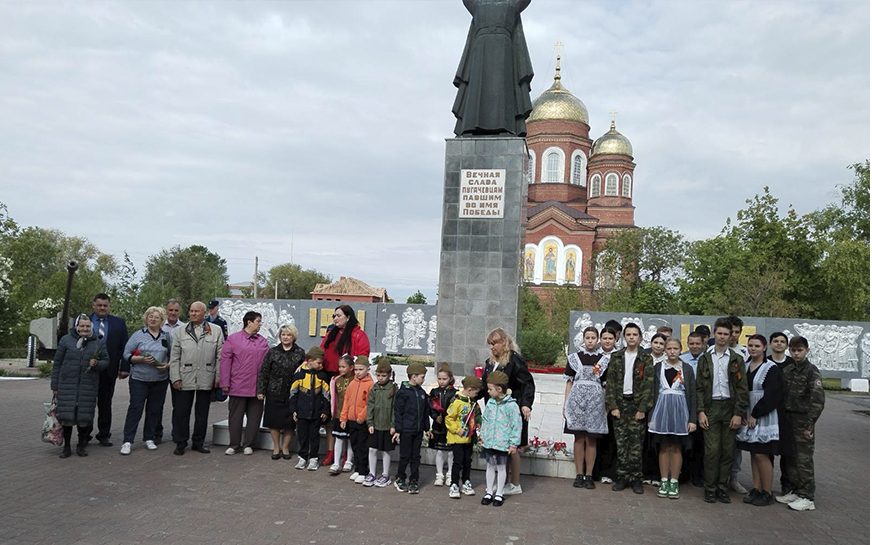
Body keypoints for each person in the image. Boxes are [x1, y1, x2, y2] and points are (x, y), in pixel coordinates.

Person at [696, 317, 749, 503]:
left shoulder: (737, 359)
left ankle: (722, 487)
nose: (723, 337)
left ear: (731, 336)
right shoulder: (705, 358)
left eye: (727, 334)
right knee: (711, 450)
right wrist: (701, 411)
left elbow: (742, 387)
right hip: (711, 408)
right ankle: (709, 487)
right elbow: (700, 387)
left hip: (729, 407)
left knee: (728, 451)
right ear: (713, 334)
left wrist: (738, 413)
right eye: (719, 333)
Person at [479, 328, 535, 497]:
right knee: (500, 448)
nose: (492, 347)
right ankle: (502, 482)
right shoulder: (490, 362)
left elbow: (527, 383)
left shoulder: (514, 360)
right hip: (495, 412)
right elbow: (484, 386)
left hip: (511, 410)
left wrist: (526, 404)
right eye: (490, 344)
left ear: (503, 342)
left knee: (513, 448)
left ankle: (515, 483)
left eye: (494, 343)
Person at [604, 322, 654, 494]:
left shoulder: (646, 358)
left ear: (640, 337)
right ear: (624, 337)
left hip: (636, 405)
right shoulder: (616, 357)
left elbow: (649, 386)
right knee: (621, 443)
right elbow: (610, 384)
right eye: (628, 334)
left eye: (635, 334)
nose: (632, 337)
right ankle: (622, 477)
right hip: (620, 404)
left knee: (636, 445)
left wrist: (642, 409)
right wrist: (613, 406)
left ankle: (636, 478)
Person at [775, 336, 825, 511]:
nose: (796, 353)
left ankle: (807, 496)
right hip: (788, 419)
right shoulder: (788, 370)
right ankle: (795, 490)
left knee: (803, 460)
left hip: (803, 420)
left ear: (807, 351)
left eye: (800, 350)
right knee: (790, 457)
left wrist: (810, 425)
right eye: (793, 350)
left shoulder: (812, 371)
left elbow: (817, 401)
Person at [169, 301, 224, 455]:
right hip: (185, 376)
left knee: (202, 413)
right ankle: (181, 442)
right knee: (182, 412)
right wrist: (175, 378)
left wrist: (217, 377)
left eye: (196, 311)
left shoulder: (216, 330)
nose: (193, 314)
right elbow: (174, 357)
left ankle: (198, 442)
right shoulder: (180, 331)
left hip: (206, 376)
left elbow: (220, 356)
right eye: (191, 311)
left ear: (204, 313)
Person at [51, 315, 109, 458]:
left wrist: (97, 364)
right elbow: (57, 363)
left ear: (92, 327)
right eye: (82, 326)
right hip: (67, 385)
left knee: (84, 417)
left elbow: (106, 361)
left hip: (87, 385)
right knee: (67, 417)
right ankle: (67, 446)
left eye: (87, 326)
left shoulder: (98, 343)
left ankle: (81, 445)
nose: (84, 329)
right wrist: (54, 385)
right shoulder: (66, 340)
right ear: (77, 326)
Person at [320, 304, 371, 465]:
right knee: (332, 417)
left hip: (350, 379)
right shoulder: (330, 333)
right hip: (331, 378)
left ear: (348, 318)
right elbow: (321, 351)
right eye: (334, 315)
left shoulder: (358, 335)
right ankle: (331, 451)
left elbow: (363, 355)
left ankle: (347, 456)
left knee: (347, 417)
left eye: (338, 315)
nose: (335, 318)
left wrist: (352, 369)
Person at [737, 334, 783, 507]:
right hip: (747, 413)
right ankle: (756, 488)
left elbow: (772, 394)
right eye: (750, 345)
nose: (753, 348)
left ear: (764, 348)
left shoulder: (771, 368)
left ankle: (767, 491)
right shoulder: (746, 365)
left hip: (762, 415)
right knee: (753, 453)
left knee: (762, 454)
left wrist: (756, 414)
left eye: (757, 345)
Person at [649, 338, 697, 500]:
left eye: (675, 348)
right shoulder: (658, 367)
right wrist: (651, 417)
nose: (672, 351)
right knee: (663, 446)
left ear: (680, 349)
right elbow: (653, 393)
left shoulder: (687, 369)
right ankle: (663, 480)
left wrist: (692, 419)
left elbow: (692, 394)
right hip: (661, 411)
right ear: (665, 350)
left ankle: (674, 481)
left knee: (676, 447)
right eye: (669, 348)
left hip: (680, 411)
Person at [120, 307, 172, 455]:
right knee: (135, 408)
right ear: (146, 318)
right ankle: (127, 441)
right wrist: (141, 359)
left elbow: (173, 355)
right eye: (150, 316)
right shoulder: (138, 335)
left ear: (162, 320)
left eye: (156, 317)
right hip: (139, 379)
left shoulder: (167, 337)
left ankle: (149, 438)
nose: (153, 319)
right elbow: (126, 354)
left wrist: (167, 366)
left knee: (154, 410)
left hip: (159, 379)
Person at [563, 326, 608, 489]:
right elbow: (569, 382)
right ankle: (579, 473)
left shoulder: (603, 360)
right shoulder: (574, 358)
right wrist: (565, 404)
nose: (590, 341)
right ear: (583, 339)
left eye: (593, 338)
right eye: (587, 338)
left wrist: (604, 406)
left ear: (597, 340)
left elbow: (604, 385)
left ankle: (589, 474)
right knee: (578, 437)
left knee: (591, 438)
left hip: (595, 402)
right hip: (576, 401)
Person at [220, 311, 269, 456]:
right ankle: (234, 444)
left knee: (254, 417)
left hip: (256, 387)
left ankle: (249, 444)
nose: (260, 324)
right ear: (249, 322)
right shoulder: (233, 339)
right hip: (238, 385)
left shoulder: (263, 341)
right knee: (235, 417)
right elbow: (225, 362)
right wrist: (225, 382)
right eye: (258, 321)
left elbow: (267, 365)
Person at [257, 324, 305, 460]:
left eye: (288, 335)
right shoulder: (272, 352)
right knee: (274, 421)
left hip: (292, 392)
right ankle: (276, 447)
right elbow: (264, 372)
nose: (285, 337)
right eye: (283, 334)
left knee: (289, 422)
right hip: (274, 391)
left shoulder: (300, 352)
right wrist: (261, 390)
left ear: (293, 337)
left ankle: (285, 447)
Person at [86, 293, 128, 447]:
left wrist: (124, 368)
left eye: (105, 305)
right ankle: (85, 434)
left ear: (109, 306)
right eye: (99, 305)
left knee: (105, 404)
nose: (102, 308)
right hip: (87, 370)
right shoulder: (85, 321)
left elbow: (125, 347)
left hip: (109, 371)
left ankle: (104, 434)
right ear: (93, 305)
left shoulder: (119, 323)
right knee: (87, 403)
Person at [478, 371, 522, 507]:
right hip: (490, 441)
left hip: (503, 443)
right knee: (490, 466)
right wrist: (483, 436)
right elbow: (485, 421)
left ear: (499, 389)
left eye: (490, 389)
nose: (488, 392)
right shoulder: (490, 404)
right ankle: (489, 491)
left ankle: (499, 493)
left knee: (502, 468)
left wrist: (513, 443)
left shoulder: (511, 406)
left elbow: (516, 425)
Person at [290, 347, 331, 471]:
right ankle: (302, 457)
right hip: (301, 413)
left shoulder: (322, 376)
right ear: (310, 360)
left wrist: (325, 411)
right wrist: (293, 410)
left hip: (316, 413)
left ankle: (314, 458)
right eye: (318, 363)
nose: (320, 365)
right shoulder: (299, 375)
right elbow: (293, 394)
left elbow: (326, 396)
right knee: (302, 435)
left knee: (314, 436)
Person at [393, 362, 430, 494]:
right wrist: (398, 429)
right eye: (422, 376)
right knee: (405, 456)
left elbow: (425, 411)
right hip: (407, 430)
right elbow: (398, 412)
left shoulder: (422, 393)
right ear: (413, 377)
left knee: (416, 456)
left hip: (418, 430)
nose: (423, 379)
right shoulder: (403, 392)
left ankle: (414, 479)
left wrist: (426, 427)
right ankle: (400, 477)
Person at [446, 375, 482, 499]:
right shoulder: (456, 401)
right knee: (458, 461)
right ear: (470, 389)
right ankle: (454, 483)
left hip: (469, 437)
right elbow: (449, 418)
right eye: (476, 392)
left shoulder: (472, 402)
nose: (477, 395)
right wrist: (457, 429)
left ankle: (466, 481)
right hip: (457, 438)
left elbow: (477, 413)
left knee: (468, 461)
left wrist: (478, 422)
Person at [768, 331, 795, 494]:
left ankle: (787, 485)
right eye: (776, 341)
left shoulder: (793, 364)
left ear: (786, 346)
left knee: (787, 452)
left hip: (788, 414)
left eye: (782, 341)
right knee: (768, 450)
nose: (779, 343)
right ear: (770, 344)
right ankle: (766, 485)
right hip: (770, 412)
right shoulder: (766, 363)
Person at [726, 315, 750, 494]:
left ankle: (733, 478)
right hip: (719, 404)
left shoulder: (745, 353)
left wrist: (742, 409)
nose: (733, 335)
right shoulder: (713, 351)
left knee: (735, 445)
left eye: (736, 332)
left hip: (737, 406)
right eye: (730, 331)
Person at [340, 356, 374, 484]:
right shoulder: (352, 383)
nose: (358, 372)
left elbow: (370, 403)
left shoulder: (370, 384)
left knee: (362, 446)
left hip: (362, 421)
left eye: (361, 369)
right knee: (354, 445)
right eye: (356, 369)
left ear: (368, 369)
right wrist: (344, 417)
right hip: (351, 420)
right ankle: (358, 468)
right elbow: (346, 401)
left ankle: (363, 471)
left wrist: (361, 417)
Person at [680, 331, 707, 487]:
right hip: (685, 404)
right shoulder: (682, 360)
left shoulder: (707, 360)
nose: (695, 346)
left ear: (703, 344)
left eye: (698, 343)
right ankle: (683, 473)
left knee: (700, 442)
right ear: (687, 343)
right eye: (692, 343)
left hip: (703, 406)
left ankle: (698, 475)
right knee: (685, 441)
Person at [366, 358, 397, 488]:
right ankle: (372, 473)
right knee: (372, 449)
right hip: (375, 425)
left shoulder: (393, 389)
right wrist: (370, 423)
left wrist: (393, 425)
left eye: (384, 376)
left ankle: (385, 474)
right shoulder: (375, 388)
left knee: (386, 451)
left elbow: (395, 409)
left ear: (389, 375)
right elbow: (370, 406)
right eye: (378, 375)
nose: (381, 378)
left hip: (387, 426)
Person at [594, 327, 619, 484]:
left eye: (610, 338)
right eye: (604, 338)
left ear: (615, 340)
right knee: (596, 437)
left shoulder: (619, 356)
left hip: (614, 400)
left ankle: (608, 471)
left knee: (611, 438)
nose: (607, 341)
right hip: (596, 400)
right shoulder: (595, 356)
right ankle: (594, 471)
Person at [429, 362, 457, 487]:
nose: (441, 381)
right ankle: (439, 474)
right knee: (439, 451)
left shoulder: (455, 393)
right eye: (439, 379)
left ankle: (450, 474)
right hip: (438, 425)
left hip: (451, 426)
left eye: (444, 379)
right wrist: (435, 417)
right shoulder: (434, 392)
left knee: (451, 452)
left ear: (450, 379)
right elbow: (430, 407)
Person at [328, 355, 356, 473]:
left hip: (351, 415)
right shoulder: (336, 380)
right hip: (339, 414)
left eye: (344, 367)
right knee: (339, 438)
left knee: (350, 439)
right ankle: (336, 462)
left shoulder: (355, 380)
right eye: (339, 367)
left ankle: (349, 461)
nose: (341, 369)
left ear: (351, 367)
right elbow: (334, 398)